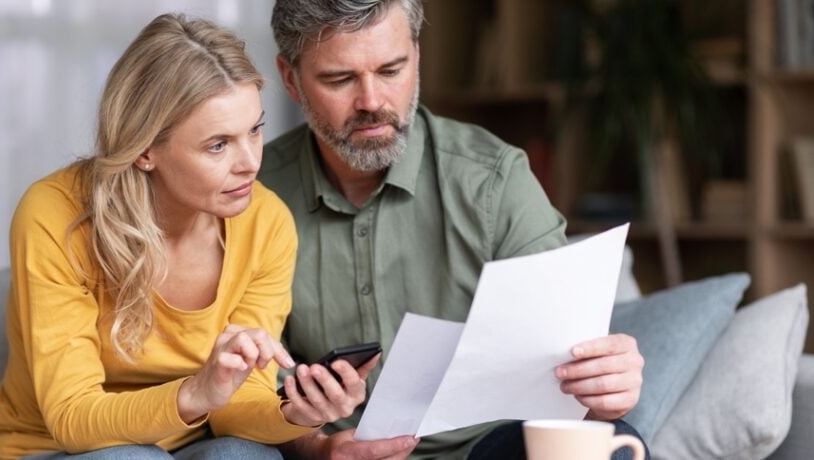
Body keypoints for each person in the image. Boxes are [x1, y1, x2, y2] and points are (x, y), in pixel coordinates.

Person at [258, 1, 648, 459]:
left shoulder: (494, 180)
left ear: (417, 57)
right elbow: (245, 389)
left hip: (489, 450)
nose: (371, 102)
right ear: (290, 79)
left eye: (391, 70)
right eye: (340, 79)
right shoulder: (250, 196)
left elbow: (567, 371)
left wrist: (605, 389)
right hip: (329, 452)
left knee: (614, 447)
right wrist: (317, 449)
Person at [0, 13, 375, 460]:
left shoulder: (266, 221)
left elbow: (235, 409)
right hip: (52, 449)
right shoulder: (55, 214)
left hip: (189, 445)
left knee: (244, 456)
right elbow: (71, 418)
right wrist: (196, 393)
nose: (249, 163)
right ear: (146, 149)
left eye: (256, 130)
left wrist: (300, 414)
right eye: (218, 145)